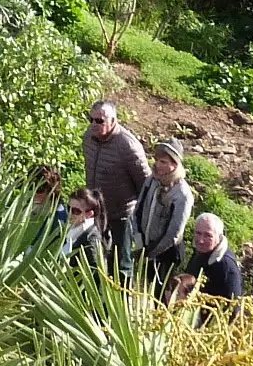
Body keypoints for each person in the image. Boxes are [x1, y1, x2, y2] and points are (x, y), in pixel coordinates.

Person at [83, 101, 150, 272]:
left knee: (122, 264)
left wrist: (137, 214)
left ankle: (124, 296)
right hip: (97, 211)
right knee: (97, 257)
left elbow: (145, 183)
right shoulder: (88, 138)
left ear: (113, 121)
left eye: (99, 121)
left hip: (122, 214)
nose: (94, 124)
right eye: (91, 119)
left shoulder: (128, 146)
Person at [131, 141, 194, 296]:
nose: (158, 165)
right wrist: (139, 241)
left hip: (166, 254)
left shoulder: (182, 194)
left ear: (175, 164)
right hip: (145, 246)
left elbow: (173, 233)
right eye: (157, 160)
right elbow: (138, 209)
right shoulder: (151, 181)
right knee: (145, 290)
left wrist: (151, 253)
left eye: (163, 162)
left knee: (162, 296)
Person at [173, 213, 244, 305]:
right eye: (198, 233)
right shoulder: (200, 251)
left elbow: (233, 305)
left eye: (208, 235)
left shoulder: (226, 266)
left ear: (219, 237)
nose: (201, 240)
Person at [63, 188, 108, 268]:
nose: (70, 213)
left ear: (89, 214)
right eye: (68, 208)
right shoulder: (70, 231)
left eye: (76, 211)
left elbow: (96, 271)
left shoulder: (91, 238)